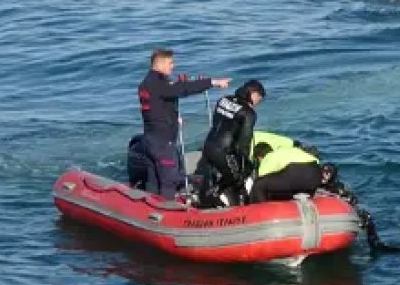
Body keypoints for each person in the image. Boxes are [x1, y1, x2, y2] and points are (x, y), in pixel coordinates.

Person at [136, 49, 230, 199]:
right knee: (169, 180)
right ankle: (167, 213)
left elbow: (156, 104)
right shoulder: (160, 84)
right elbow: (183, 89)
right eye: (170, 63)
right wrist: (213, 82)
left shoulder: (146, 83)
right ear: (159, 64)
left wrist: (174, 116)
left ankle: (150, 209)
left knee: (153, 180)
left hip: (150, 138)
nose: (173, 66)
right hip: (162, 142)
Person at [197, 79, 266, 207]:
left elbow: (219, 123)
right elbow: (243, 143)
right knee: (237, 177)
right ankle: (216, 196)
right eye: (259, 100)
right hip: (223, 152)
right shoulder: (248, 113)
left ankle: (208, 195)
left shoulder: (224, 99)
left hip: (209, 144)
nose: (257, 104)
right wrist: (245, 163)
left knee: (217, 173)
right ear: (254, 94)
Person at [249, 141, 322, 203]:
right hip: (316, 173)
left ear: (259, 157)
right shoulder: (287, 151)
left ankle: (262, 210)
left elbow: (262, 178)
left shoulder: (269, 156)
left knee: (259, 184)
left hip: (296, 172)